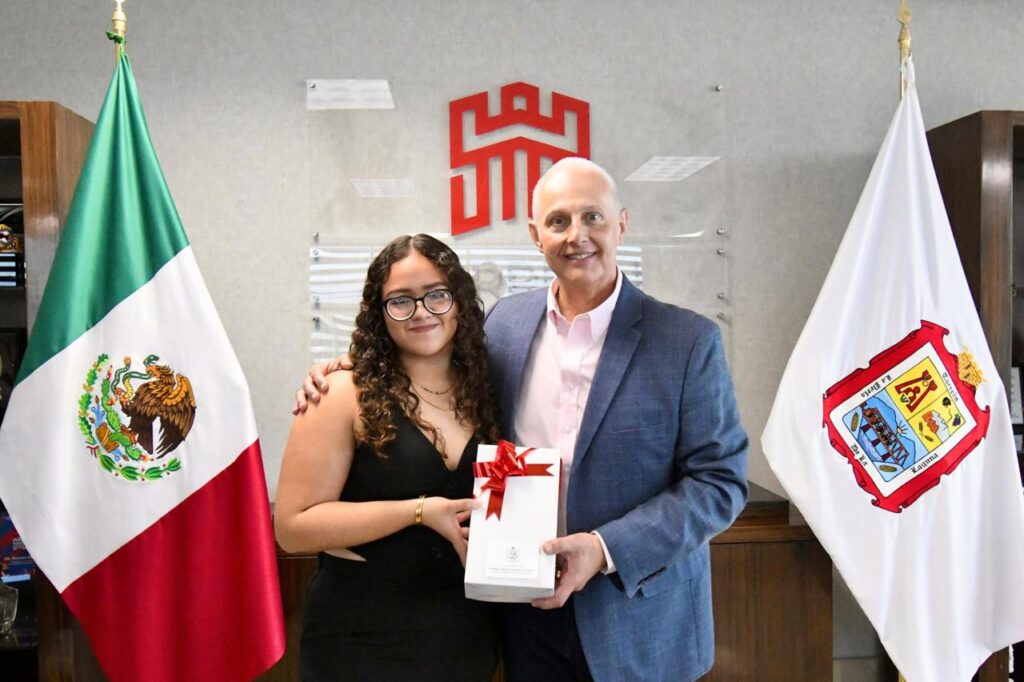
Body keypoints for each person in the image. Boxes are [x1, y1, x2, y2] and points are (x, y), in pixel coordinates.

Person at [296, 158, 749, 681]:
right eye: (558, 221)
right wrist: (350, 367)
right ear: (536, 236)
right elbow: (428, 357)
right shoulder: (505, 323)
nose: (576, 235)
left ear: (622, 224)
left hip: (637, 618)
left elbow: (719, 482)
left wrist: (605, 549)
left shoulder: (687, 342)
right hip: (521, 612)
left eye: (593, 217)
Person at [276, 234, 500, 681]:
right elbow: (293, 529)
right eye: (401, 301)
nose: (421, 312)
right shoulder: (342, 392)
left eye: (436, 295)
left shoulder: (488, 389)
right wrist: (418, 511)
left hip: (464, 635)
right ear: (379, 312)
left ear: (459, 301)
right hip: (361, 638)